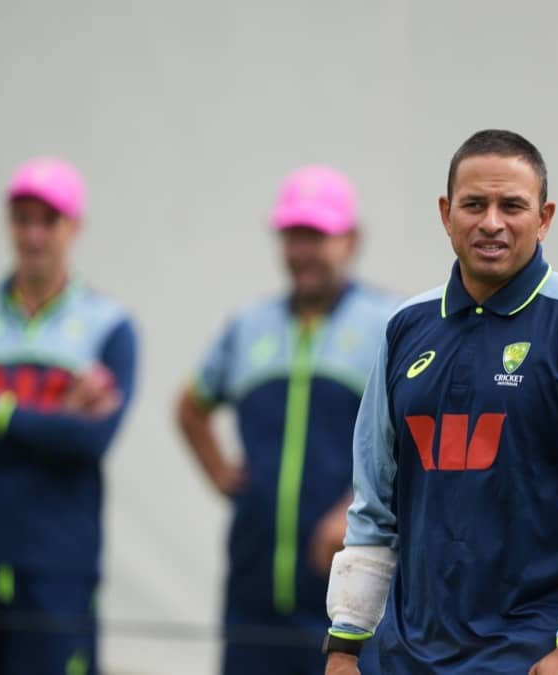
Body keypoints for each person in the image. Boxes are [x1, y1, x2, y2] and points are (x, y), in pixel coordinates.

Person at [320, 129, 558, 674]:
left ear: (545, 217)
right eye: (474, 204)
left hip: (530, 656)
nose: (491, 222)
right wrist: (345, 644)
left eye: (513, 206)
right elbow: (374, 504)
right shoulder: (404, 329)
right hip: (403, 657)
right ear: (446, 213)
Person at [176, 165, 397, 674]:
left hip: (348, 591)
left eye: (316, 236)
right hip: (254, 587)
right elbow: (191, 407)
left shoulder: (390, 325)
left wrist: (354, 505)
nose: (301, 251)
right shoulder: (249, 325)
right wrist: (220, 471)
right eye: (292, 236)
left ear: (350, 240)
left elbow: (413, 441)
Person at [0, 157, 137, 674]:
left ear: (74, 227)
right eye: (21, 218)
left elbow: (92, 441)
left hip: (59, 569)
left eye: (46, 221)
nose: (32, 235)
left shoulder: (108, 326)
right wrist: (58, 412)